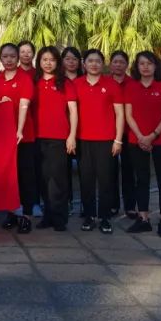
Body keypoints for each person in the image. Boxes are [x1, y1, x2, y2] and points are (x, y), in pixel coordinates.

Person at [126, 51, 161, 238]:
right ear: (137, 67)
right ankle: (143, 218)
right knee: (141, 179)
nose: (145, 67)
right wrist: (141, 137)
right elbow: (129, 115)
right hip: (137, 140)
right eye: (141, 63)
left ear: (156, 66)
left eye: (149, 63)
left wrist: (152, 136)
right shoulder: (131, 87)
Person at [74, 49, 124, 234]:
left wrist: (118, 140)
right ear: (84, 64)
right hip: (83, 139)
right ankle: (89, 216)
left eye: (97, 61)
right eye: (90, 61)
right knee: (86, 179)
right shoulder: (76, 84)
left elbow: (120, 114)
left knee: (106, 180)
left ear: (103, 64)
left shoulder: (111, 85)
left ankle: (104, 217)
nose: (94, 64)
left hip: (106, 140)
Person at [0, 44, 35, 233]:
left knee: (25, 176)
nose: (8, 60)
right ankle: (11, 213)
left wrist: (20, 129)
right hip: (2, 136)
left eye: (12, 56)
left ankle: (26, 215)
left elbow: (24, 104)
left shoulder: (25, 78)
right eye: (5, 56)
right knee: (9, 176)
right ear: (0, 58)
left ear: (18, 58)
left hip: (23, 136)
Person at [34, 47, 78, 232]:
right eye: (44, 59)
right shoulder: (34, 82)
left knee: (58, 180)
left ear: (57, 62)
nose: (48, 63)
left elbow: (73, 111)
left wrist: (71, 136)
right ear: (39, 62)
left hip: (59, 137)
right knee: (43, 178)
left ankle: (60, 218)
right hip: (38, 137)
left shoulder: (65, 83)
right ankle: (48, 216)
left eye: (51, 60)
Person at [108, 50, 137, 219]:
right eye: (115, 62)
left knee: (129, 170)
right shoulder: (105, 82)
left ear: (127, 65)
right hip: (108, 133)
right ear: (110, 64)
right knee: (110, 170)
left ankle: (130, 205)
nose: (118, 65)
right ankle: (113, 204)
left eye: (122, 62)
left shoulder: (133, 84)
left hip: (129, 132)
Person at [61, 46, 83, 213]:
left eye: (74, 59)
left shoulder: (85, 80)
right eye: (67, 59)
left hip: (84, 130)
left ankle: (85, 202)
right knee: (64, 168)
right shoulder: (58, 81)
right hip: (63, 130)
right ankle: (67, 200)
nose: (71, 62)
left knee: (85, 169)